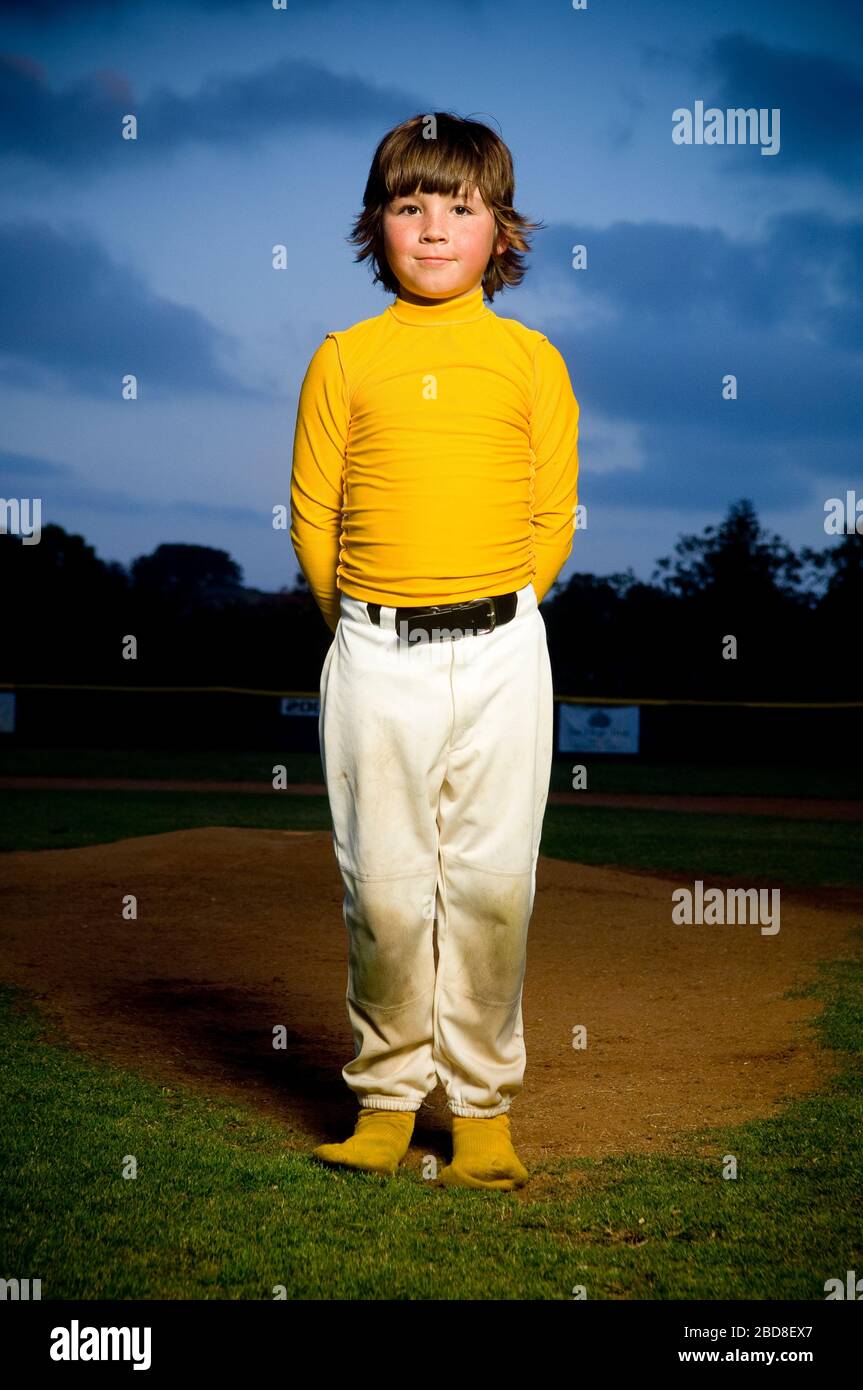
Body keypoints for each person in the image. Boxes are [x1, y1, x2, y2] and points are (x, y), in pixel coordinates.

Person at [290, 111, 579, 1190]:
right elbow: (312, 516)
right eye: (409, 204)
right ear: (377, 226)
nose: (432, 226)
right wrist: (371, 628)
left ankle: (484, 1114)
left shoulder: (529, 359)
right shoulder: (344, 359)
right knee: (387, 892)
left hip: (505, 652)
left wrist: (486, 618)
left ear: (500, 231)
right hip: (373, 649)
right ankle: (382, 1103)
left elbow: (552, 518)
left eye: (458, 206)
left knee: (495, 887)